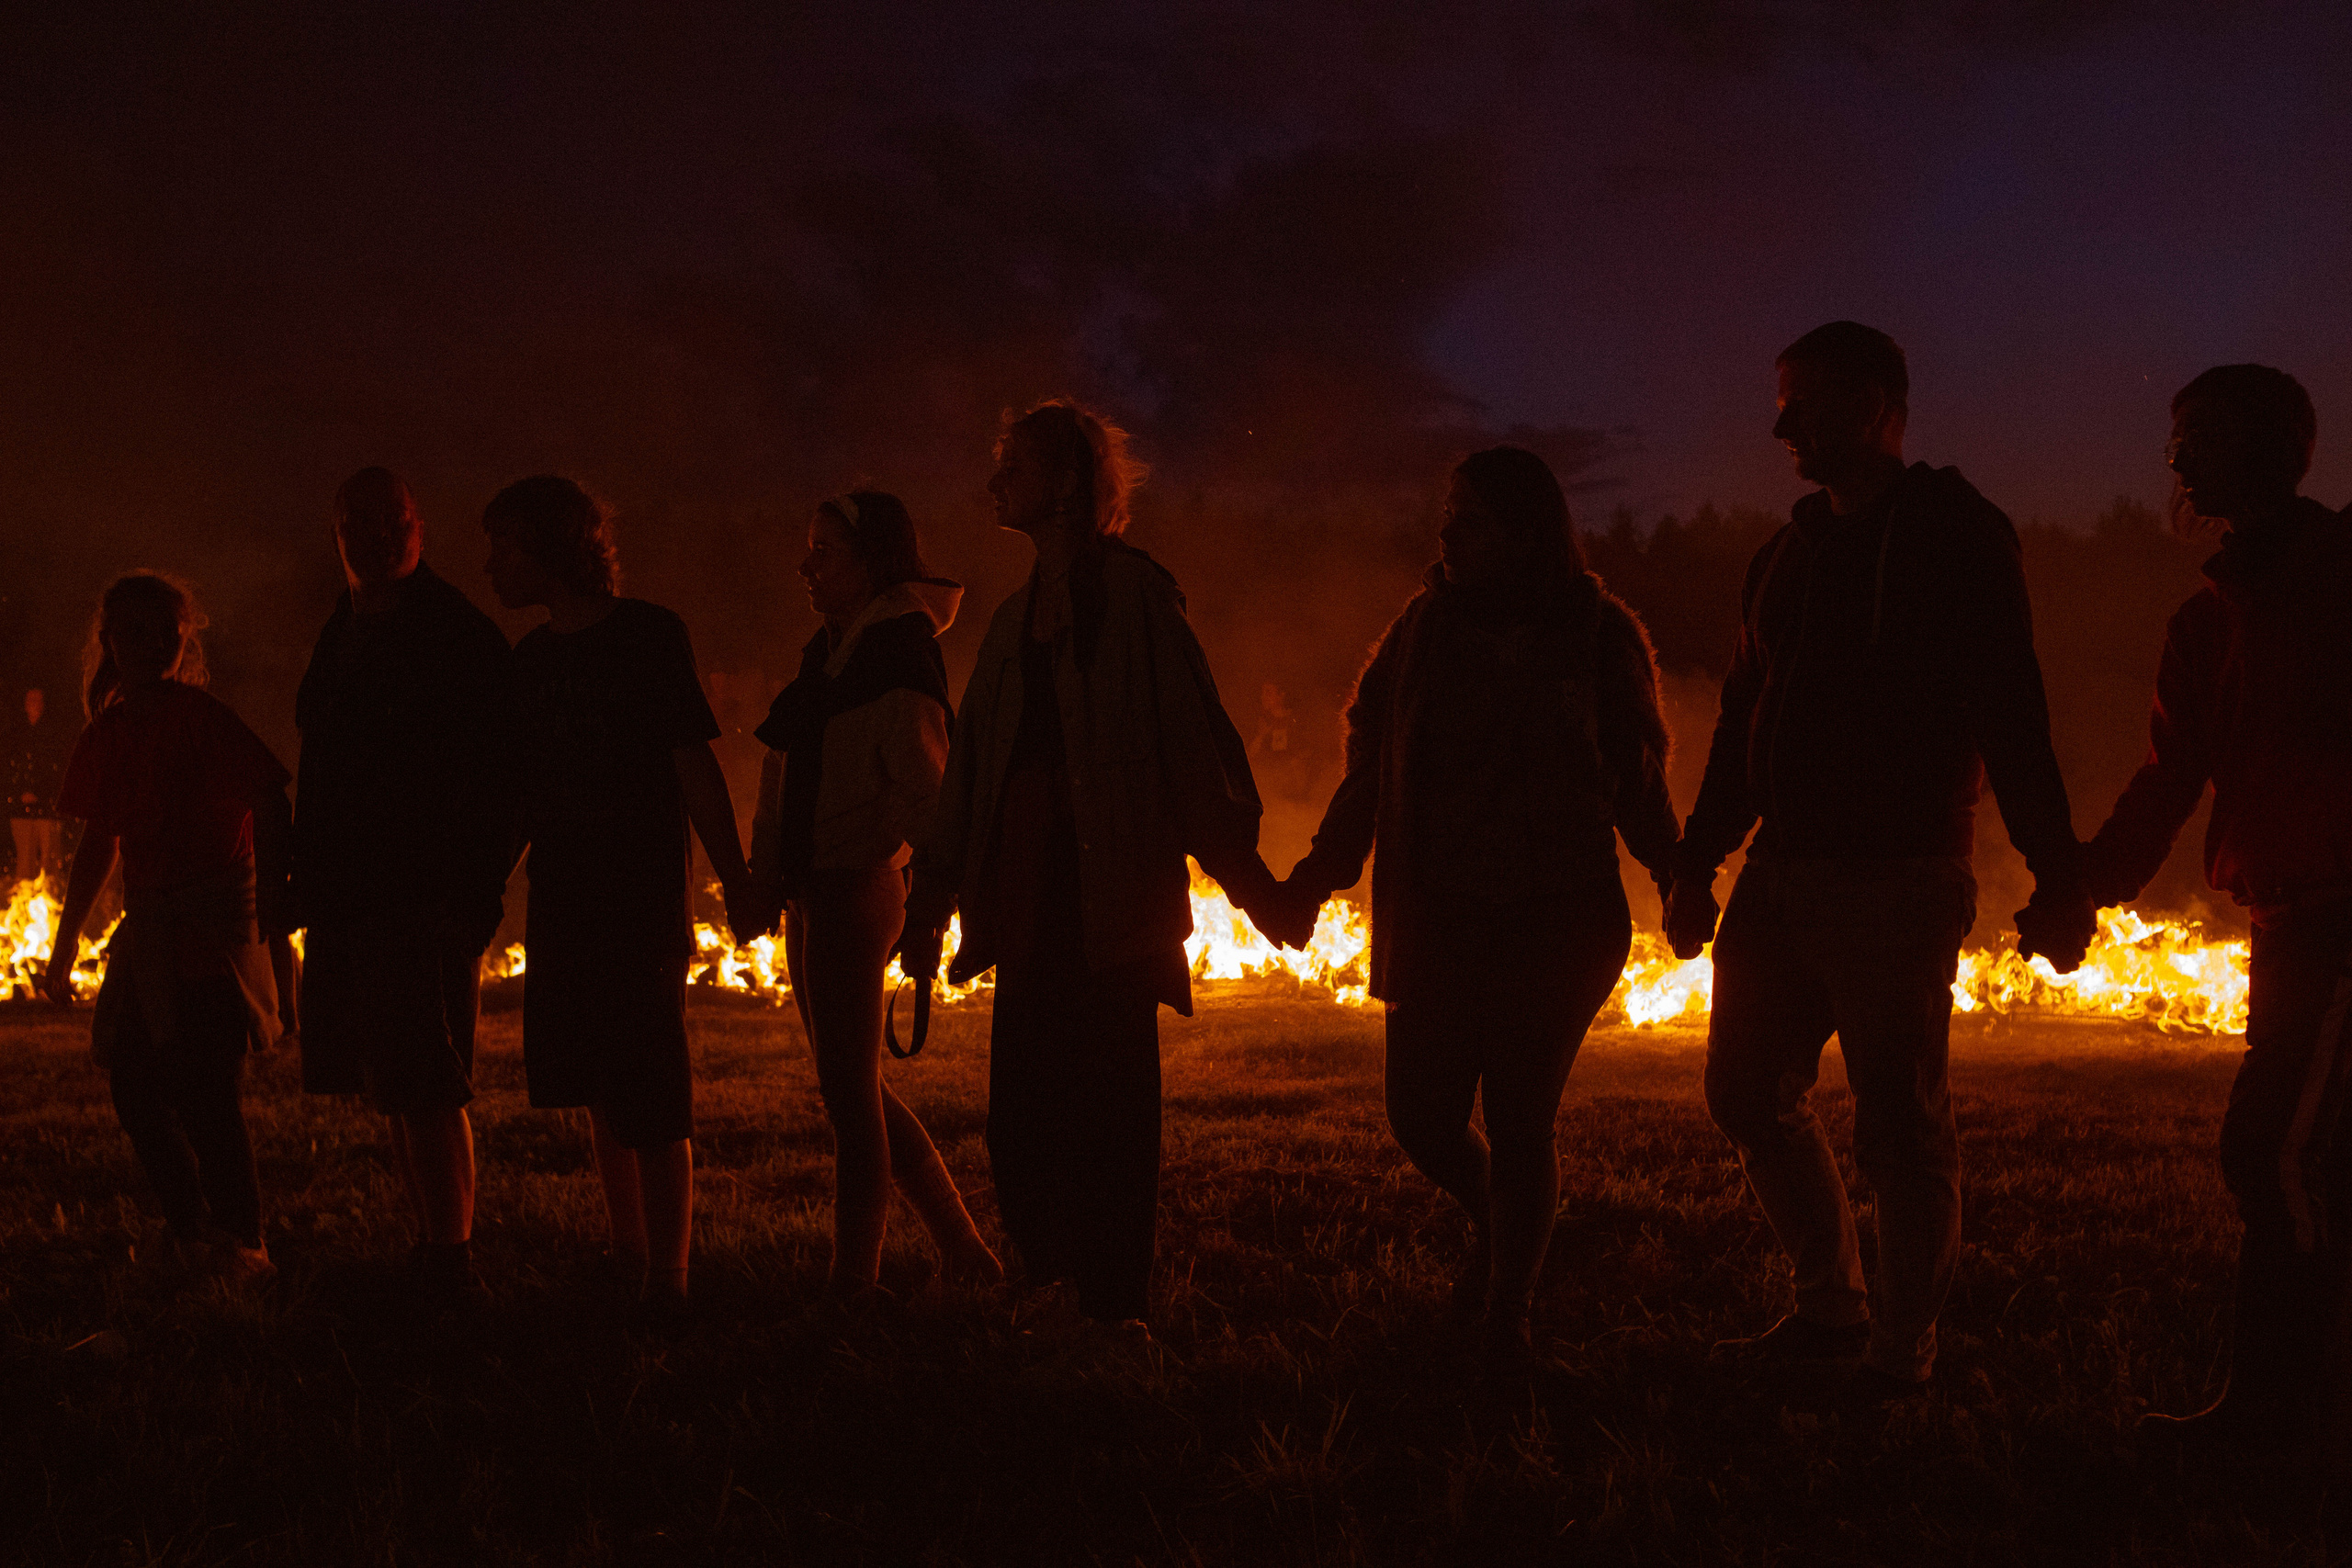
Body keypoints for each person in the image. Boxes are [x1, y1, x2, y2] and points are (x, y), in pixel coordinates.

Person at [1664, 321, 2095, 1397]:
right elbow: (1740, 718)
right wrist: (1697, 859)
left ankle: (1903, 1354)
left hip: (1899, 873)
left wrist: (2057, 872)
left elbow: (2012, 710)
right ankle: (1830, 1310)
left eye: (1802, 399)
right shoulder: (1787, 553)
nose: (1780, 424)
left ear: (1874, 406)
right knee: (1744, 1090)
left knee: (1898, 1128)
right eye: (1778, 400)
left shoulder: (1954, 534)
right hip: (1784, 868)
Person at [1272, 446, 1680, 1371]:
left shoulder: (1592, 630)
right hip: (1440, 916)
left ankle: (1508, 1312)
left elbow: (1637, 772)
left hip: (1557, 917)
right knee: (1419, 1117)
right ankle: (1509, 1227)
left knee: (1521, 1117)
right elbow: (1370, 771)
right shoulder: (1420, 632)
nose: (1447, 532)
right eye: (1447, 514)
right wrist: (1315, 876)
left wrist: (1677, 873)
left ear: (1527, 533)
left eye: (1472, 519)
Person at [903, 400, 1284, 1336]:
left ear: (1066, 485)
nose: (995, 484)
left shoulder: (1138, 599)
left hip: (1112, 899)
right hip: (1029, 904)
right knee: (1023, 1115)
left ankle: (1114, 1304)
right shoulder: (1006, 625)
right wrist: (932, 901)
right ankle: (1050, 1276)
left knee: (1112, 1111)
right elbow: (970, 780)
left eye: (1013, 467)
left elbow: (1194, 748)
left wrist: (1250, 881)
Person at [2082, 366, 2352, 1461]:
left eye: (2203, 436)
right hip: (2287, 924)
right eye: (2175, 440)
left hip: (2344, 915)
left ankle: (2279, 1424)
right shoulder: (2202, 621)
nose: (2180, 460)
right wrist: (2080, 889)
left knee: (2271, 1154)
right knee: (2306, 1157)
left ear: (2280, 447)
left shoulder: (2341, 578)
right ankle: (2280, 1414)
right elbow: (2167, 776)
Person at [485, 475, 755, 1329]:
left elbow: (693, 765)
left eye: (507, 549)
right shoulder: (529, 664)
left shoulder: (647, 636)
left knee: (650, 1081)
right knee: (600, 1079)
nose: (492, 566)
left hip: (637, 900)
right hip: (563, 899)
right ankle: (628, 1248)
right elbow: (520, 796)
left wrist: (736, 879)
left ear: (555, 552)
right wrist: (487, 886)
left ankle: (670, 1274)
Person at [745, 490, 1001, 1305]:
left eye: (825, 551)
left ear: (872, 560)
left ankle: (853, 1281)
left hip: (857, 889)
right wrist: (766, 873)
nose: (806, 567)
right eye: (808, 549)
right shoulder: (833, 654)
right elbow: (789, 772)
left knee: (850, 1099)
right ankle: (964, 1249)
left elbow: (931, 797)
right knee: (852, 1086)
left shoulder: (895, 660)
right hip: (815, 890)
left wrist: (928, 904)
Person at [293, 468, 518, 1303]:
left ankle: (453, 1260)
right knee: (388, 1078)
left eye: (400, 522)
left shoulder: (453, 637)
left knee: (426, 1078)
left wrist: (469, 896)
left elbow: (504, 778)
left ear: (419, 528)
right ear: (339, 530)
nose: (386, 537)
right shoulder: (343, 629)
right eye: (366, 522)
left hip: (420, 896)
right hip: (352, 896)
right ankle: (431, 1245)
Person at [40, 573, 298, 1279]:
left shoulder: (203, 719)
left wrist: (271, 904)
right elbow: (99, 844)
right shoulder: (109, 736)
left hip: (211, 937)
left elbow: (270, 801)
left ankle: (244, 1242)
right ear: (110, 644)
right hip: (150, 934)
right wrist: (64, 954)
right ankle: (190, 1227)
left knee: (208, 1093)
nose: (155, 644)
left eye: (167, 630)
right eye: (136, 632)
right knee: (134, 1085)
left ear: (187, 637)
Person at [7, 685, 68, 883]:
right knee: (24, 865)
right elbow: (10, 767)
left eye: (37, 700)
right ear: (25, 705)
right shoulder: (16, 733)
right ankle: (25, 907)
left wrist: (40, 794)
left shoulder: (52, 732)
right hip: (20, 808)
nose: (33, 704)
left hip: (48, 808)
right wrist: (20, 793)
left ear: (43, 704)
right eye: (30, 700)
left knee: (49, 865)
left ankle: (51, 905)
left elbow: (57, 768)